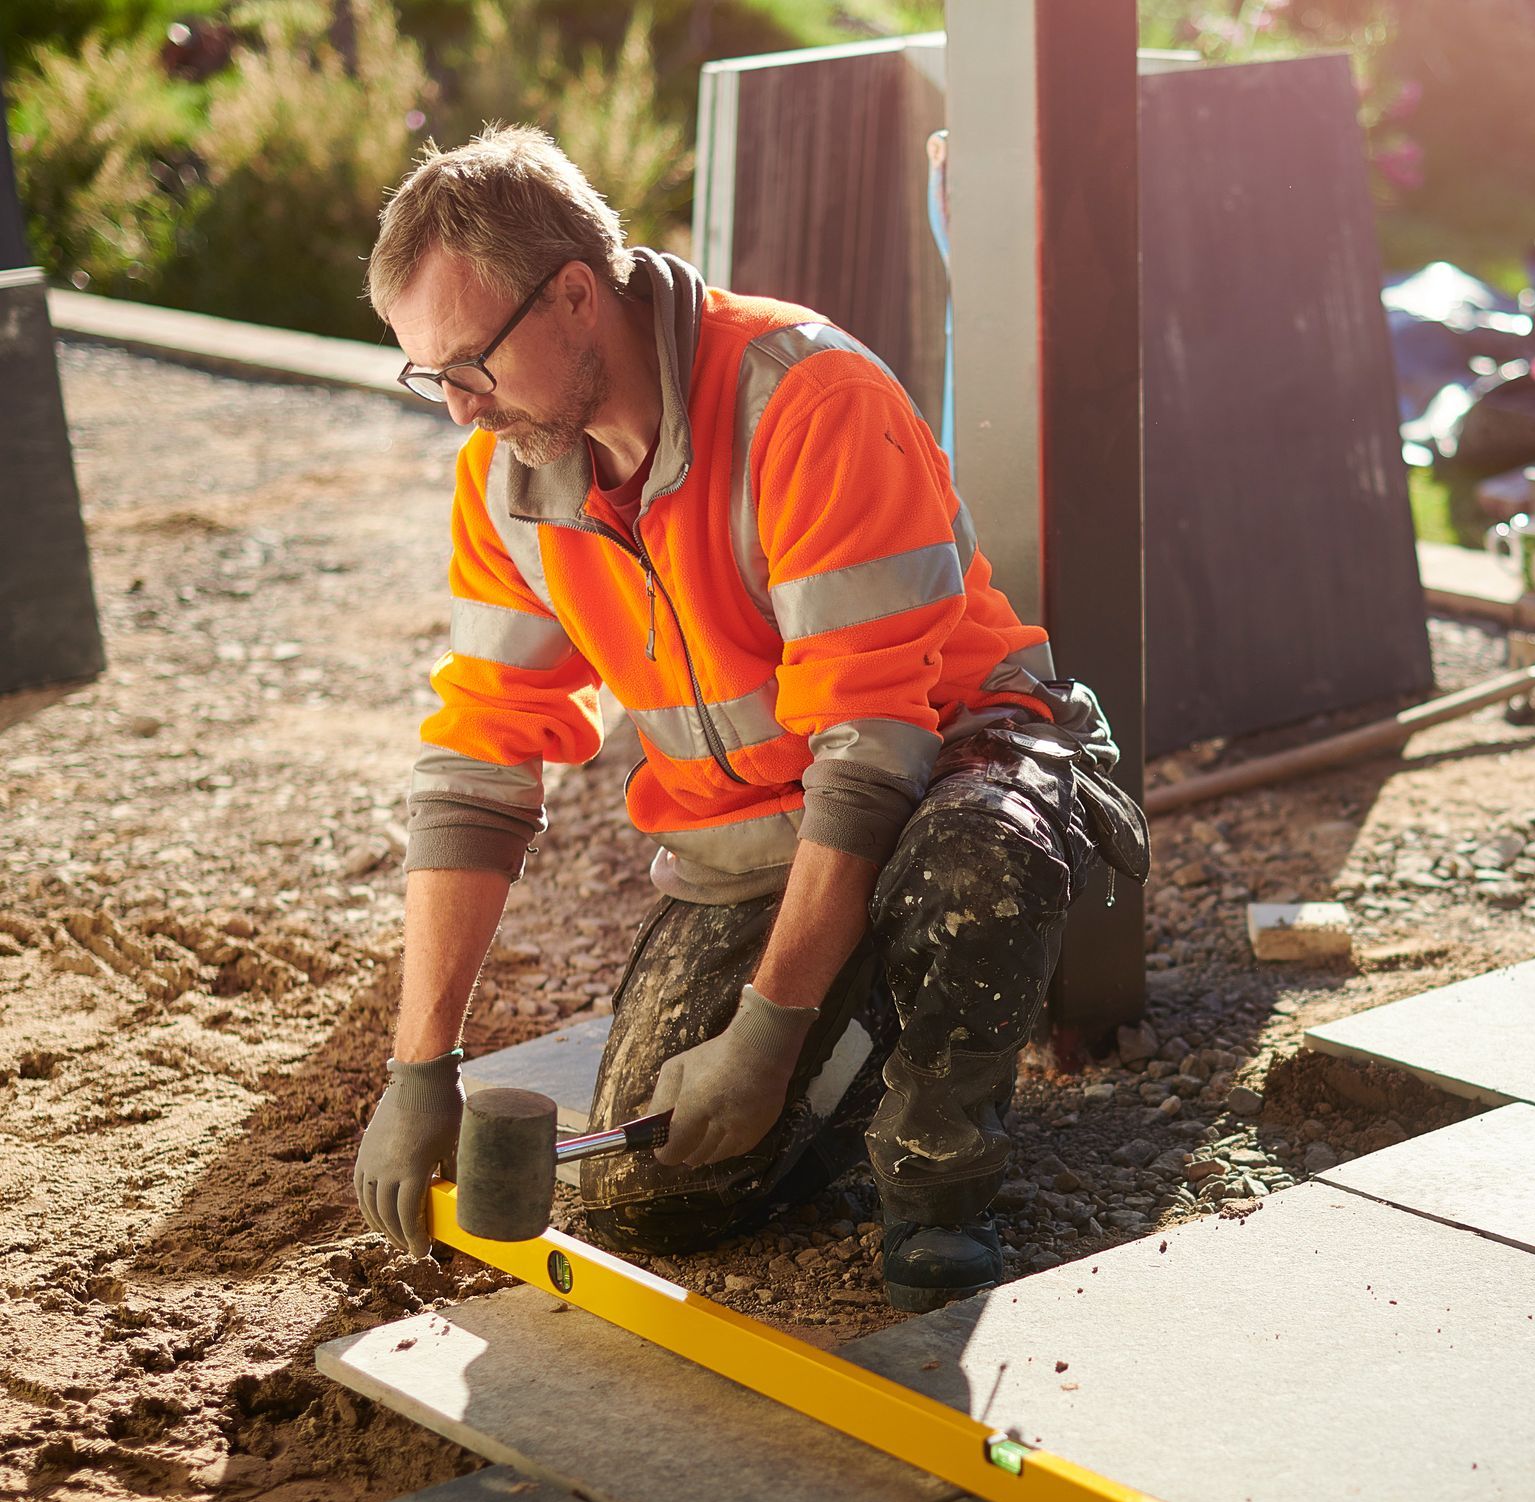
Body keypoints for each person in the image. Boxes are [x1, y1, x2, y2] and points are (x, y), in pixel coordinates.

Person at [351, 126, 1146, 1312]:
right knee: (656, 1194)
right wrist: (423, 1063)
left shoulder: (804, 399)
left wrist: (771, 1033)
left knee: (973, 862)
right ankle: (876, 998)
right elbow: (480, 758)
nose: (462, 412)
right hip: (757, 835)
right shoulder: (511, 478)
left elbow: (875, 753)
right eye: (432, 379)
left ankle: (939, 1176)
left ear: (576, 294)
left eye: (472, 365)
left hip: (951, 762)